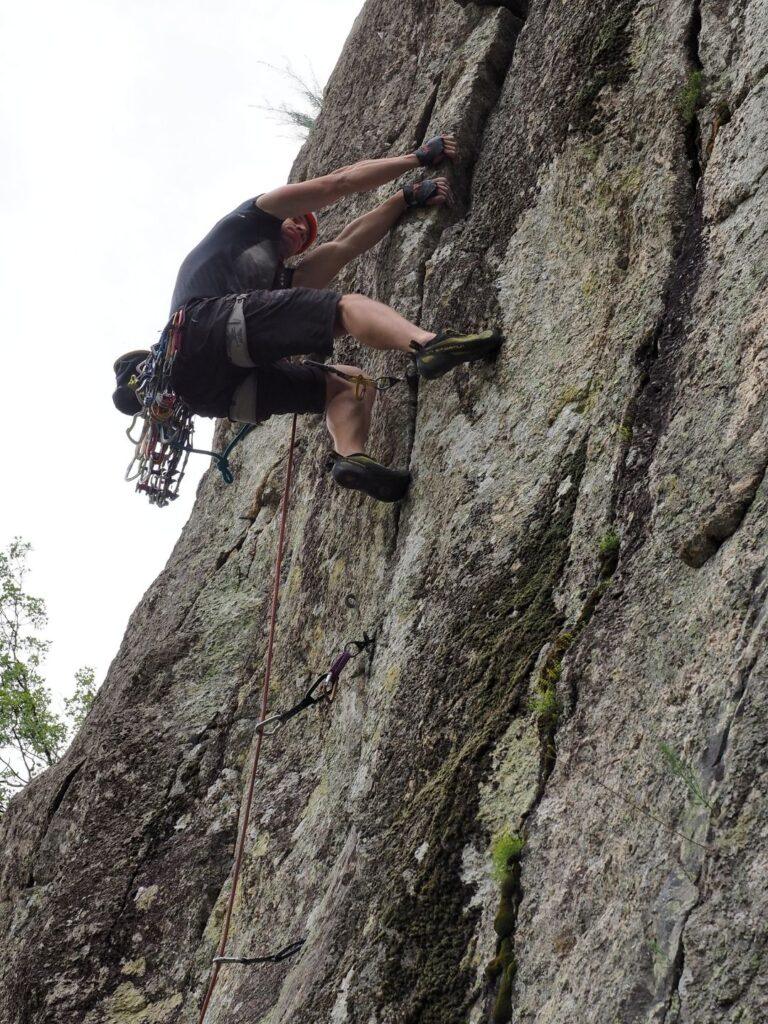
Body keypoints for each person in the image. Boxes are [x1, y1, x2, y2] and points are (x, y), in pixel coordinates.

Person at [112, 134, 503, 502]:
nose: (302, 229)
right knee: (344, 307)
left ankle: (351, 456)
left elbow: (348, 243)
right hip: (204, 327)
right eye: (297, 219)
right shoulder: (249, 220)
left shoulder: (283, 281)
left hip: (214, 393)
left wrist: (403, 200)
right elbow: (339, 183)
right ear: (280, 213)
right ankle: (428, 344)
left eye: (308, 233)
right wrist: (417, 158)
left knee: (352, 383)